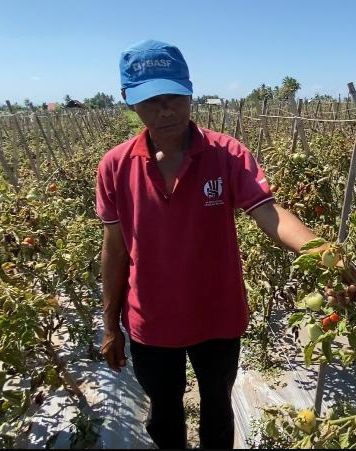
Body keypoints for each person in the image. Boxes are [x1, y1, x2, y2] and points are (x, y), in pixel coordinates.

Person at [95, 39, 326, 449]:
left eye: (174, 97)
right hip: (150, 322)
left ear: (190, 91)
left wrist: (326, 253)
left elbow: (269, 214)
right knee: (164, 416)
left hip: (217, 319)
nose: (165, 109)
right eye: (152, 100)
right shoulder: (115, 165)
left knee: (218, 411)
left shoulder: (227, 154)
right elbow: (114, 249)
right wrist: (110, 324)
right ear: (128, 101)